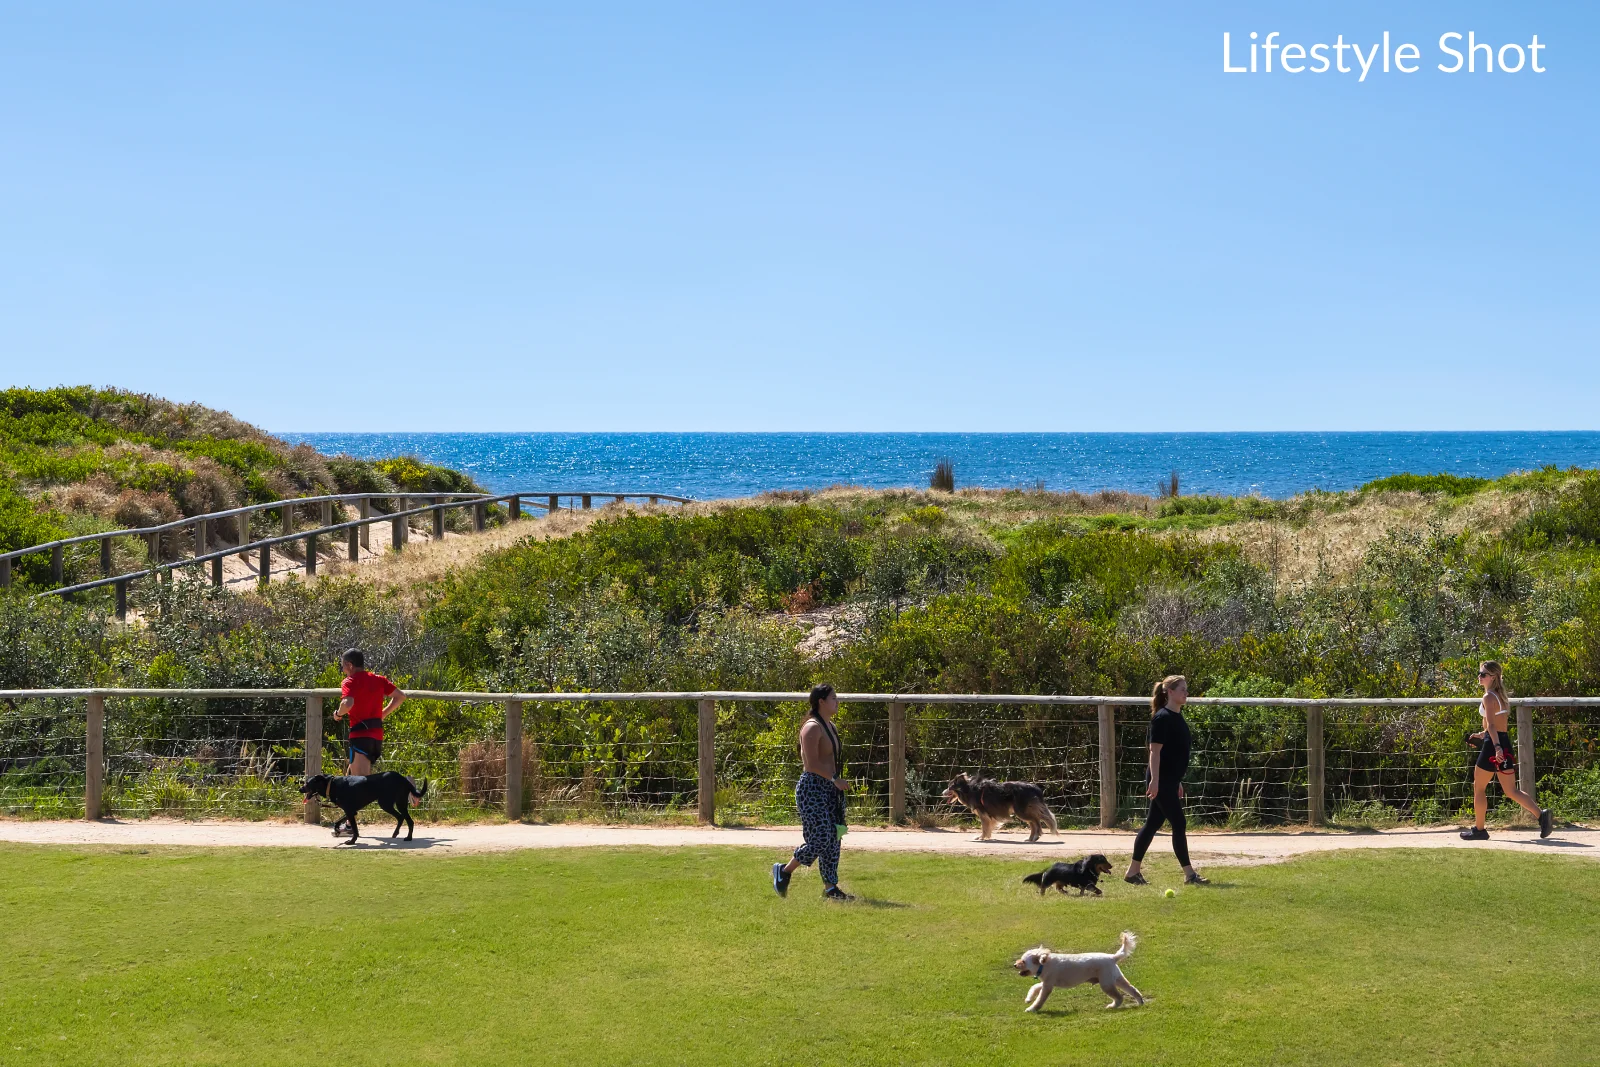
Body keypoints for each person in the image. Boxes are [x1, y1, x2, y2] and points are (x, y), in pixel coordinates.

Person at [1124, 675, 1208, 886]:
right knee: (1179, 823)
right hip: (1161, 780)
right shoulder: (1162, 717)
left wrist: (1177, 780)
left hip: (1170, 780)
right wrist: (1155, 781)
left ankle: (1132, 872)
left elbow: (1174, 754)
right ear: (1170, 692)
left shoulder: (1177, 716)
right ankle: (1190, 875)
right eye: (1182, 690)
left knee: (1153, 824)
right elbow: (1155, 752)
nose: (1186, 693)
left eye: (1186, 690)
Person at [772, 684, 853, 901]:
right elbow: (810, 764)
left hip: (830, 790)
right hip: (812, 789)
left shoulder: (830, 726)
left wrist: (836, 783)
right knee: (820, 838)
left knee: (834, 837)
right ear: (821, 702)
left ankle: (830, 888)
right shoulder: (811, 728)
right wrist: (835, 779)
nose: (837, 701)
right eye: (834, 698)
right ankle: (784, 871)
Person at [1461, 661, 1551, 840]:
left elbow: (1493, 726)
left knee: (1478, 788)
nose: (1479, 676)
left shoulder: (1488, 697)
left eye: (1483, 674)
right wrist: (1482, 734)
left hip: (1493, 745)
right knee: (1511, 791)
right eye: (1479, 673)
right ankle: (1542, 816)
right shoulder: (1501, 697)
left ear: (1492, 677)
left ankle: (1479, 830)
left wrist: (1495, 747)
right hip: (1503, 741)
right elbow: (1496, 725)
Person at [333, 648, 405, 777]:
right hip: (376, 736)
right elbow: (400, 696)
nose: (342, 670)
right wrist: (383, 714)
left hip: (360, 736)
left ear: (350, 665)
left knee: (361, 784)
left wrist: (338, 714)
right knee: (350, 779)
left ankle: (407, 791)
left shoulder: (349, 681)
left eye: (343, 665)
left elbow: (347, 703)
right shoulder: (379, 679)